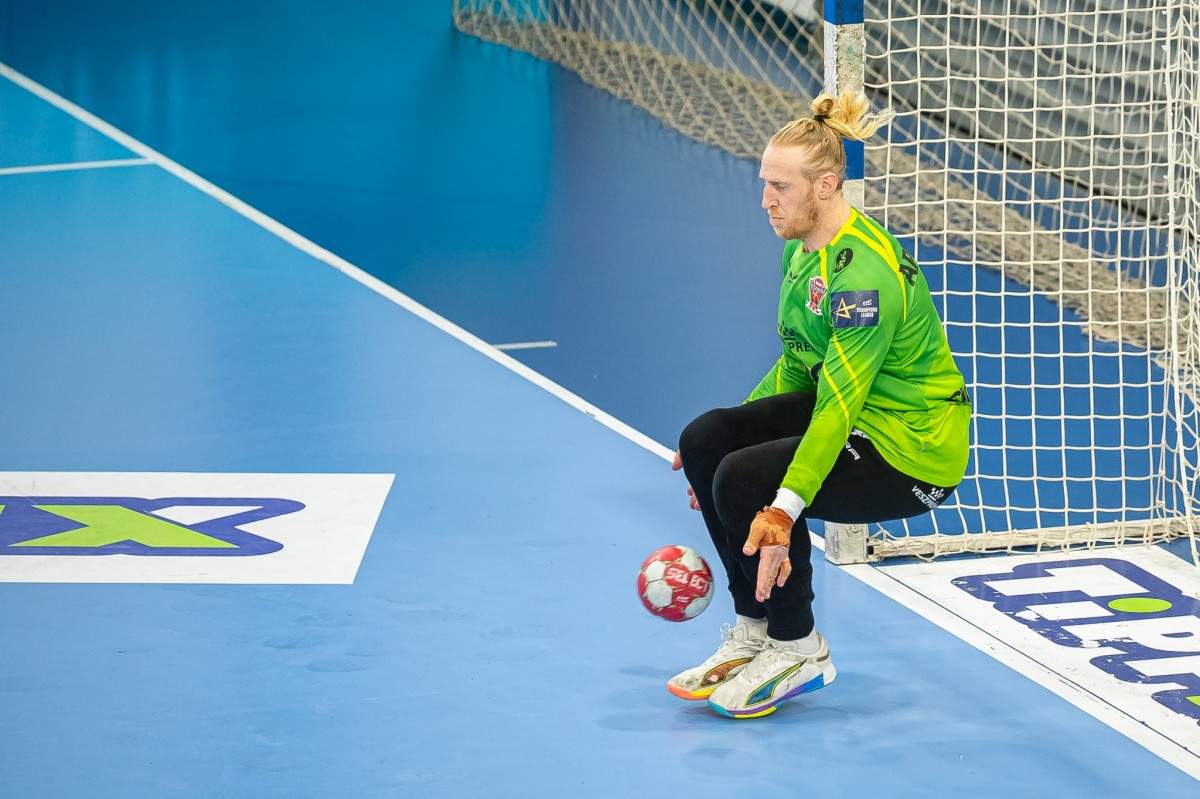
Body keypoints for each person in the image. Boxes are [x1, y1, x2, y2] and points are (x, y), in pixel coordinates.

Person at [668, 91, 971, 719]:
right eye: (765, 183)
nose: (765, 199)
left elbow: (837, 402)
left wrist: (782, 509)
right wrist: (724, 440)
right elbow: (795, 365)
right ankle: (754, 633)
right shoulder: (802, 250)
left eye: (780, 186)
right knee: (705, 441)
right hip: (854, 417)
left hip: (908, 451)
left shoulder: (863, 280)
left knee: (747, 479)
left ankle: (798, 646)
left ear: (826, 186)